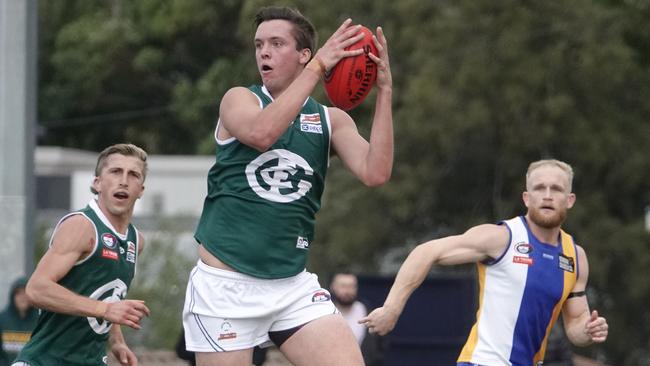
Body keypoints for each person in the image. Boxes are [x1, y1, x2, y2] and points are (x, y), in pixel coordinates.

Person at [182, 5, 393, 366]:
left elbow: (376, 173)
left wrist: (385, 91)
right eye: (259, 43)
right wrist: (317, 70)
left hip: (290, 284)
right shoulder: (239, 99)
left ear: (303, 54)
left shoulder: (330, 120)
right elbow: (262, 133)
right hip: (225, 286)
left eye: (277, 43)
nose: (264, 51)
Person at [360, 159, 609, 366]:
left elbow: (576, 324)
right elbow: (426, 252)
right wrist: (391, 308)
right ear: (526, 197)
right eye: (538, 188)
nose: (547, 195)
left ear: (570, 199)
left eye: (556, 189)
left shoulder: (575, 257)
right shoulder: (501, 237)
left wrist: (588, 331)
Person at [13, 143, 151, 366]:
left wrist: (117, 341)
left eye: (133, 174)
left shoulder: (136, 241)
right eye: (115, 171)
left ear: (141, 190)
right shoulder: (82, 226)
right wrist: (104, 310)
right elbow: (36, 289)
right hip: (45, 360)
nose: (123, 180)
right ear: (97, 183)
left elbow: (110, 295)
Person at [330, 272, 385, 366]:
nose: (347, 291)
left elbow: (380, 344)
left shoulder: (368, 312)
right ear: (332, 287)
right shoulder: (324, 312)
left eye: (351, 286)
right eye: (343, 286)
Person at [0, 277, 39, 365]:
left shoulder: (39, 320)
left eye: (25, 293)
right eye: (18, 293)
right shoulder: (2, 319)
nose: (22, 297)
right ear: (12, 296)